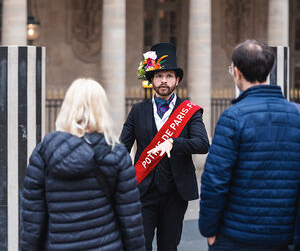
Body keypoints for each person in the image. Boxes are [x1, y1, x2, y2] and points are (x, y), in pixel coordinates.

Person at [21, 78, 145, 251]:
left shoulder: (44, 153)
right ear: (102, 109)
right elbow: (130, 219)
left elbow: (32, 219)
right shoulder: (116, 154)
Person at [199, 39, 300, 251]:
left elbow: (215, 180)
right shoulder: (297, 114)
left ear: (237, 72)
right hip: (285, 234)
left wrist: (209, 229)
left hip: (236, 235)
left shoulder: (233, 117)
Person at [120, 42, 209, 251]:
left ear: (177, 80)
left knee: (168, 247)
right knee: (139, 246)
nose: (164, 81)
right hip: (143, 191)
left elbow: (203, 144)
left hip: (175, 194)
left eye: (169, 76)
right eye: (159, 76)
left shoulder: (189, 111)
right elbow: (121, 147)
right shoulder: (138, 110)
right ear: (151, 79)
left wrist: (173, 142)